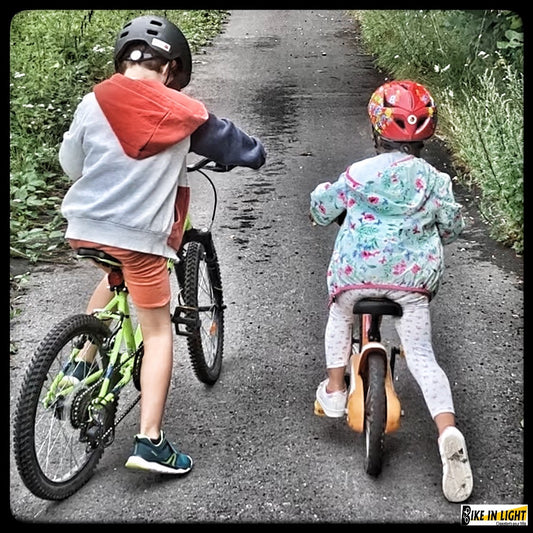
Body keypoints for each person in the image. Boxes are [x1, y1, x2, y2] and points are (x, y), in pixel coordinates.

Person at [59, 15, 266, 475]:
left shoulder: (92, 101)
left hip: (85, 226)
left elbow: (71, 163)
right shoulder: (186, 113)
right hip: (140, 239)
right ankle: (150, 441)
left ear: (123, 60)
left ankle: (79, 362)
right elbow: (235, 145)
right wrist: (255, 153)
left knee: (114, 278)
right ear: (170, 68)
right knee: (156, 333)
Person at [309, 80, 473, 502]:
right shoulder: (434, 180)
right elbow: (453, 226)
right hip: (411, 283)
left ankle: (334, 392)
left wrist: (319, 198)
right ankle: (448, 431)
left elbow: (324, 208)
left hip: (355, 277)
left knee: (339, 317)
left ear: (376, 128)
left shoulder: (358, 174)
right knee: (422, 356)